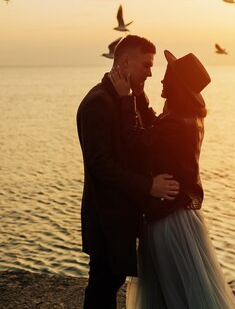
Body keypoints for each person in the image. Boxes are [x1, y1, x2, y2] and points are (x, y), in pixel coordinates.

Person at [109, 49, 235, 309]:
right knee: (181, 289)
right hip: (179, 214)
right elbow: (154, 128)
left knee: (172, 292)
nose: (160, 80)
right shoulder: (186, 117)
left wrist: (125, 100)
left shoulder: (177, 122)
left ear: (177, 82)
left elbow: (137, 141)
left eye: (167, 75)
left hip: (168, 218)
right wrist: (138, 95)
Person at [76, 35, 181, 309]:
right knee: (103, 285)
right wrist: (149, 186)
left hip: (121, 213)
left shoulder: (125, 99)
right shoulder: (98, 103)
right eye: (146, 65)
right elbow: (100, 165)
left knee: (111, 281)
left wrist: (136, 96)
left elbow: (151, 131)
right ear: (124, 62)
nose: (150, 72)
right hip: (106, 215)